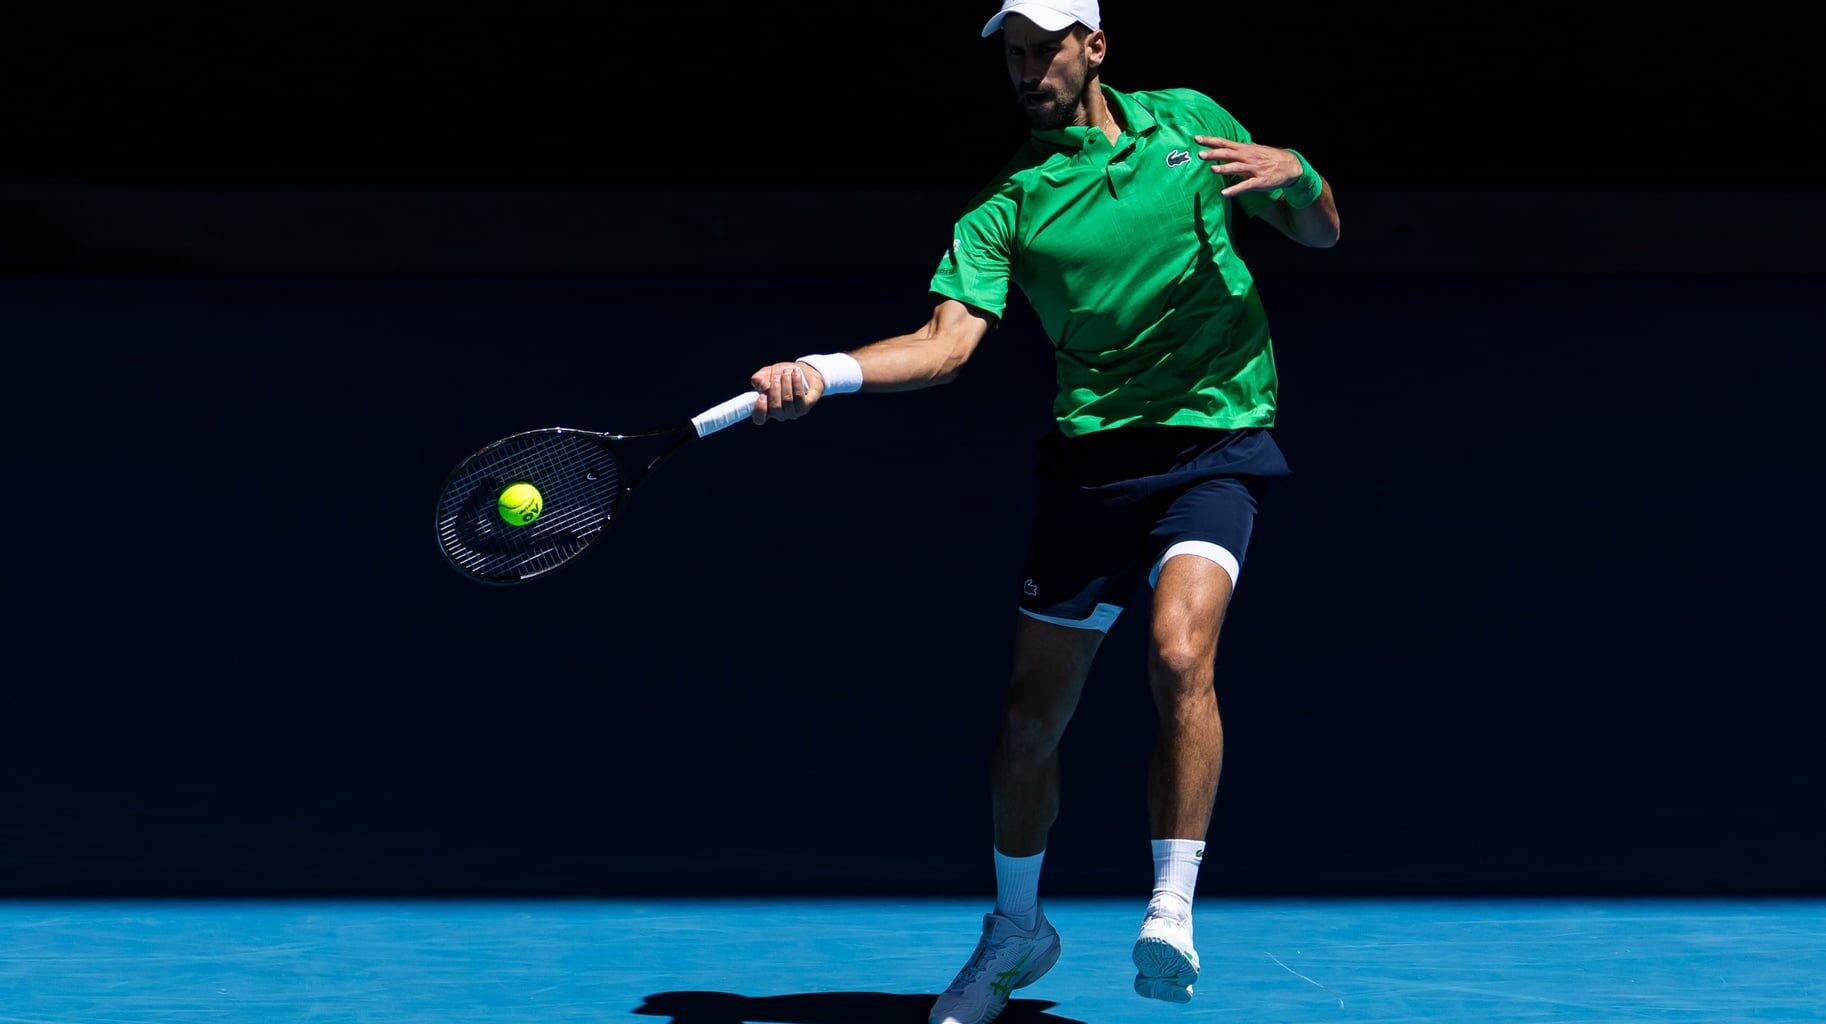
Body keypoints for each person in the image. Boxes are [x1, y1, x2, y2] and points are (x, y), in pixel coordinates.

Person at [743, 0, 1339, 1019]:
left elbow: (1317, 230)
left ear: (1093, 48)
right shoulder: (1005, 205)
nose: (1026, 72)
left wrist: (1299, 174)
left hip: (1214, 444)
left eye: (1043, 50)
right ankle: (1017, 928)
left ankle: (1170, 906)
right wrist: (824, 369)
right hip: (1089, 470)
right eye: (1012, 55)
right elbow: (944, 346)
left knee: (1178, 654)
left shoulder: (1190, 122)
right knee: (1028, 724)